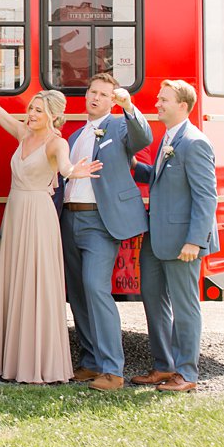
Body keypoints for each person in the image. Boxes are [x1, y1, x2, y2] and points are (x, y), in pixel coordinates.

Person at [0, 59, 100, 384]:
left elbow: (64, 167)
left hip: (38, 216)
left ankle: (34, 362)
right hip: (16, 212)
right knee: (11, 279)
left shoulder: (56, 142)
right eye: (31, 108)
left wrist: (73, 172)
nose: (31, 114)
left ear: (52, 115)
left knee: (35, 283)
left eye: (38, 110)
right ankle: (3, 357)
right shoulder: (23, 133)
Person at [61, 72, 152, 391]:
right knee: (77, 292)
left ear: (112, 100)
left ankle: (113, 370)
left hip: (101, 223)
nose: (95, 97)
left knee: (95, 287)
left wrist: (129, 107)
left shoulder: (119, 126)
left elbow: (143, 139)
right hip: (69, 220)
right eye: (91, 91)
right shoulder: (73, 137)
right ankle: (90, 362)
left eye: (103, 93)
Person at [132, 79, 218, 392]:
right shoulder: (168, 138)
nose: (157, 103)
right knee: (154, 301)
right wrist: (132, 164)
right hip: (156, 238)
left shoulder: (195, 142)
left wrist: (195, 240)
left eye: (163, 99)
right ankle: (163, 365)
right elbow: (157, 179)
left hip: (183, 241)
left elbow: (206, 196)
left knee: (185, 306)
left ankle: (187, 373)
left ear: (182, 105)